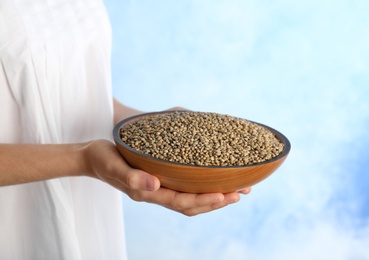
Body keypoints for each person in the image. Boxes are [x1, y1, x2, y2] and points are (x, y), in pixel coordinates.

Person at [0, 0, 251, 259]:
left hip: (87, 202)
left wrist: (147, 125)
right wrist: (84, 158)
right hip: (14, 214)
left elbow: (64, 86)